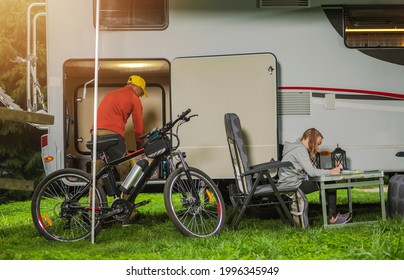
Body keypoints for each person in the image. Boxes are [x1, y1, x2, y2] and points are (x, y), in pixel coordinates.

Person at [90, 75, 148, 225]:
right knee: (126, 173)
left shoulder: (110, 95)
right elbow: (138, 127)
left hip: (95, 135)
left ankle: (94, 216)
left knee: (96, 176)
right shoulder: (134, 99)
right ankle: (128, 216)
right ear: (137, 87)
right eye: (142, 92)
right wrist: (140, 146)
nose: (141, 95)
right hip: (113, 136)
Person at [277, 128, 352, 226]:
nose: (318, 146)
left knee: (324, 181)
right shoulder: (300, 149)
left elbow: (308, 172)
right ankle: (333, 217)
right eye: (318, 143)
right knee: (330, 182)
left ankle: (331, 214)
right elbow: (311, 172)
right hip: (292, 185)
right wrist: (331, 171)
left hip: (288, 182)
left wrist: (326, 171)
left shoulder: (296, 147)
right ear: (312, 140)